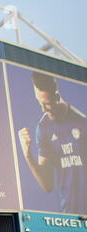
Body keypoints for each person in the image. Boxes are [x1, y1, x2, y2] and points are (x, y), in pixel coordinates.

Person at [18, 72, 87, 214]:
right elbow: (47, 185)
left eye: (47, 104)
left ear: (57, 96)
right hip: (69, 215)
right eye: (39, 103)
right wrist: (28, 155)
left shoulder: (82, 122)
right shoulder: (43, 128)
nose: (43, 109)